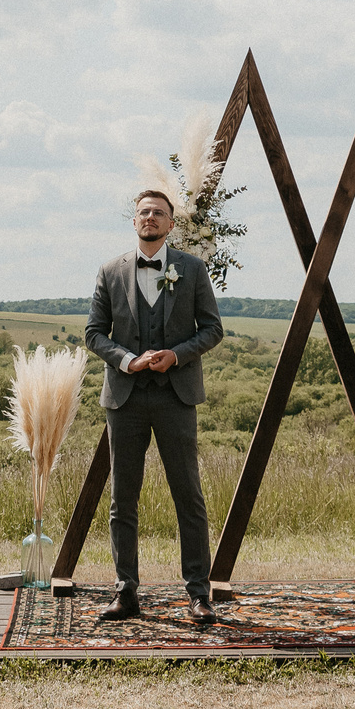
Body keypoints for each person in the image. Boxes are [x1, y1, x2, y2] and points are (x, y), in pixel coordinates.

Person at [84, 186, 223, 622]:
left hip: (175, 397)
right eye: (144, 212)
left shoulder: (193, 269)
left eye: (158, 212)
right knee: (122, 500)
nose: (150, 217)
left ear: (171, 223)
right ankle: (125, 592)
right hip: (124, 399)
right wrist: (128, 360)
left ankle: (198, 594)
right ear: (134, 221)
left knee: (188, 496)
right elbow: (93, 333)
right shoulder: (110, 271)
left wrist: (176, 355)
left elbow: (213, 329)